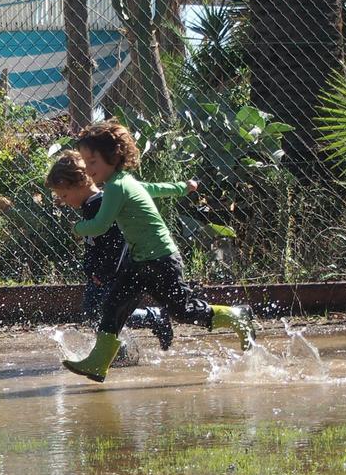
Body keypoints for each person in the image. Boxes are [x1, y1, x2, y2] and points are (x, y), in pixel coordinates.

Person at [60, 119, 255, 382]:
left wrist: (79, 228)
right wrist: (181, 188)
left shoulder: (117, 186)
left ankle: (236, 316)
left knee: (183, 310)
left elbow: (100, 225)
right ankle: (98, 362)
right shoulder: (125, 182)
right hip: (140, 260)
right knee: (113, 306)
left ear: (112, 157)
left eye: (92, 161)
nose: (87, 168)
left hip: (161, 260)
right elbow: (154, 189)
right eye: (85, 161)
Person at [45, 151, 174, 359]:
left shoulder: (102, 204)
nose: (63, 201)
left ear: (80, 183)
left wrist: (105, 272)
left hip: (112, 274)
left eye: (64, 195)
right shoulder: (90, 205)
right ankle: (116, 350)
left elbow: (117, 243)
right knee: (93, 311)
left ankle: (152, 318)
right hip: (99, 275)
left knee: (107, 311)